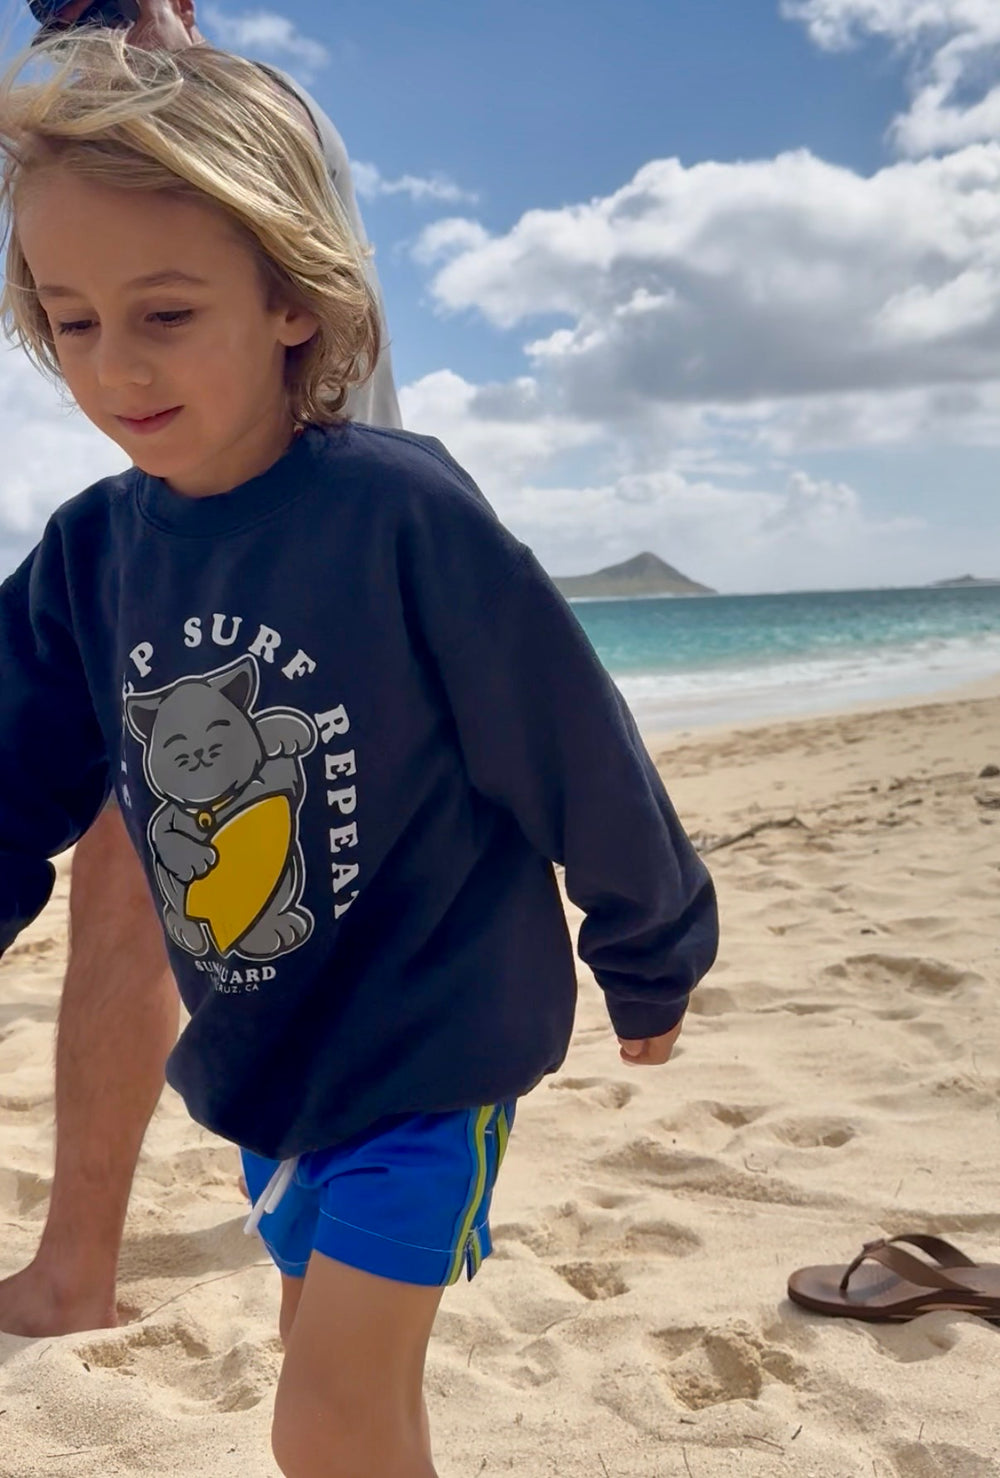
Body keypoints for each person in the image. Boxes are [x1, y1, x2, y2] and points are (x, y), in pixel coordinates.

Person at [0, 32, 718, 1477]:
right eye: (71, 322)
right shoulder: (89, 558)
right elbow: (10, 784)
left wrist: (650, 943)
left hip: (428, 1046)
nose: (114, 366)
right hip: (271, 1061)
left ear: (290, 296)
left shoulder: (399, 514)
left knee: (325, 1419)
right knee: (340, 1387)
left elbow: (569, 738)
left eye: (165, 313)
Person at [0, 0, 401, 1340]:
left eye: (110, 9)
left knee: (282, 896)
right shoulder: (93, 544)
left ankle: (302, 1255)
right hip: (180, 574)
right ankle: (80, 1266)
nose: (88, 39)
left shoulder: (249, 118)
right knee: (124, 860)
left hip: (306, 583)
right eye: (60, 14)